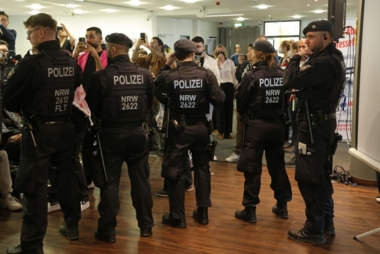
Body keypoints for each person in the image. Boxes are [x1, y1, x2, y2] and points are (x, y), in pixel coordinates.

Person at [4, 13, 82, 254]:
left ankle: (32, 245)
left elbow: (8, 98)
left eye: (29, 33)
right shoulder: (71, 62)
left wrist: (30, 107)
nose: (27, 38)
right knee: (66, 179)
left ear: (40, 32)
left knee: (34, 187)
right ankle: (72, 227)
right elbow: (76, 87)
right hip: (65, 129)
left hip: (38, 132)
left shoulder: (32, 63)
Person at [86, 33, 154, 241]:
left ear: (113, 50)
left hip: (111, 136)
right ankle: (146, 226)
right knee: (140, 181)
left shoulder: (102, 77)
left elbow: (92, 107)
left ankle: (107, 231)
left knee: (110, 184)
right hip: (137, 134)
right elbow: (149, 102)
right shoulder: (144, 74)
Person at [284, 20, 346, 245]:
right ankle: (326, 222)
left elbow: (289, 80)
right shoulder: (333, 57)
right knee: (319, 175)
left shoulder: (323, 62)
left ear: (326, 38)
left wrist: (295, 58)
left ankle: (314, 229)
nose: (306, 42)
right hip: (320, 124)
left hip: (313, 127)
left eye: (311, 37)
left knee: (309, 177)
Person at [155, 39, 224, 228]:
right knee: (202, 168)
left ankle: (178, 217)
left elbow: (155, 88)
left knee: (175, 171)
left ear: (175, 56)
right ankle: (203, 213)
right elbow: (219, 100)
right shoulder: (207, 75)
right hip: (201, 127)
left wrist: (167, 66)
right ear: (194, 54)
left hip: (178, 128)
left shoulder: (170, 75)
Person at [234, 40, 292, 224]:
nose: (249, 53)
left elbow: (241, 102)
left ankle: (249, 210)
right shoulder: (282, 74)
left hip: (256, 127)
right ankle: (282, 206)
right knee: (278, 167)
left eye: (252, 51)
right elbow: (286, 99)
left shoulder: (251, 75)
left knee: (252, 168)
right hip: (277, 126)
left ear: (257, 54)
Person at [72, 26, 107, 191]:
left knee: (100, 144)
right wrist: (74, 54)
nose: (88, 40)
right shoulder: (82, 56)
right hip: (83, 104)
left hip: (100, 104)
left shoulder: (106, 55)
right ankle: (87, 177)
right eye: (86, 36)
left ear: (100, 39)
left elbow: (105, 76)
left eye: (92, 36)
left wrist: (95, 55)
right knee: (85, 143)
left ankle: (101, 175)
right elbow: (74, 73)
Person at [225, 43, 254, 163]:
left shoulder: (258, 68)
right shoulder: (245, 64)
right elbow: (238, 77)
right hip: (242, 101)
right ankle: (238, 151)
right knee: (240, 127)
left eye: (249, 51)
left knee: (251, 128)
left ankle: (247, 151)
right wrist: (240, 65)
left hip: (252, 102)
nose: (246, 54)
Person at [214, 44, 238, 140]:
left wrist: (236, 85)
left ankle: (228, 132)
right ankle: (220, 131)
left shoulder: (230, 62)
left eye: (222, 51)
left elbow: (233, 75)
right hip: (220, 86)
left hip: (229, 86)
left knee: (229, 109)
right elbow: (215, 73)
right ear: (216, 52)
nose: (221, 52)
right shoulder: (215, 62)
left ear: (225, 52)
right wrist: (219, 61)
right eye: (219, 51)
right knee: (220, 110)